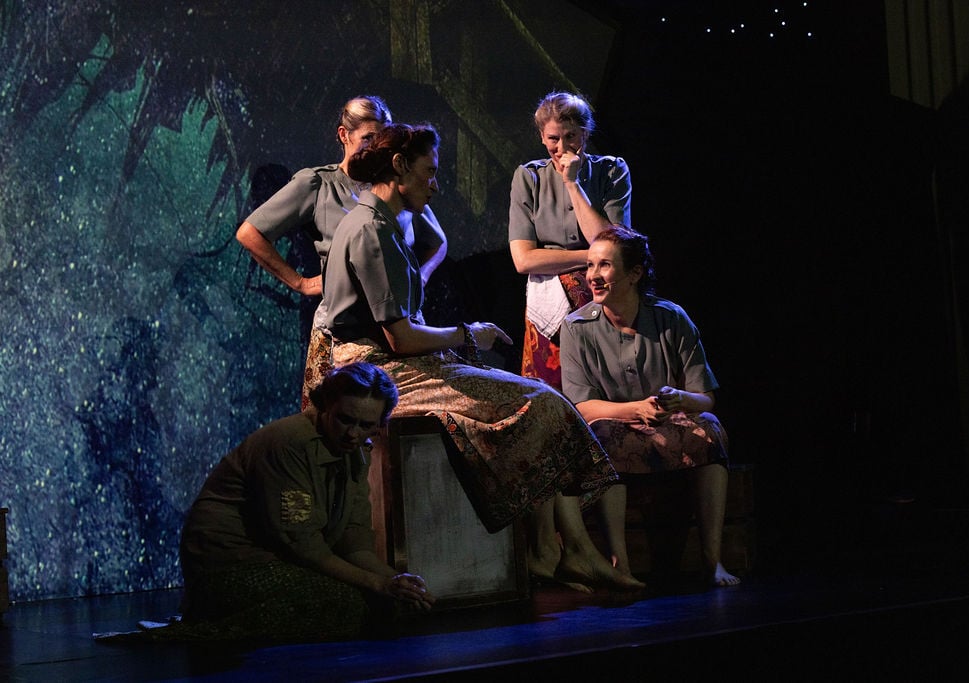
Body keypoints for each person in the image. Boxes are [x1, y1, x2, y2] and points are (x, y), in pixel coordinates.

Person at [321, 122, 643, 592]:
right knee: (539, 402)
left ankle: (563, 549)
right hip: (376, 370)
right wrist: (468, 335)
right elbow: (400, 339)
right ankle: (560, 550)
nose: (435, 184)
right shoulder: (371, 229)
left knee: (540, 400)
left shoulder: (386, 222)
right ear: (399, 168)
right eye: (429, 173)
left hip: (395, 361)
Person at [169, 363, 435, 642]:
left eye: (366, 425)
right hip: (228, 568)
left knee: (388, 604)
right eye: (344, 419)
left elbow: (354, 543)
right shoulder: (290, 444)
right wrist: (379, 584)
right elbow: (303, 547)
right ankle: (210, 623)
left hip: (283, 561)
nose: (352, 434)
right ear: (325, 407)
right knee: (349, 603)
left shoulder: (356, 453)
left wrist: (399, 582)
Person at [236, 96, 448, 409]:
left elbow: (437, 242)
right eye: (368, 138)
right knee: (342, 427)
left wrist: (417, 277)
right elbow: (250, 233)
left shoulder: (394, 184)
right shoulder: (320, 185)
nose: (377, 146)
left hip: (396, 327)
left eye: (383, 138)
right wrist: (301, 283)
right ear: (343, 135)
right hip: (348, 332)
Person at [559, 226, 740, 587]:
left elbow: (706, 397)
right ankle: (619, 565)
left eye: (605, 266)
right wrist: (634, 410)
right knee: (603, 437)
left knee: (710, 429)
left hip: (668, 422)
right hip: (615, 424)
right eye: (591, 265)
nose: (592, 275)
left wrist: (681, 399)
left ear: (635, 273)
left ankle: (712, 560)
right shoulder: (577, 327)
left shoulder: (671, 319)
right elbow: (582, 407)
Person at [508, 91, 631, 390]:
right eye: (553, 138)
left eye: (570, 136)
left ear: (585, 133)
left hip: (603, 297)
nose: (561, 147)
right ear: (541, 137)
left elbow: (612, 246)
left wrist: (572, 184)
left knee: (602, 392)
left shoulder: (612, 171)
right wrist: (590, 257)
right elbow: (523, 260)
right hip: (549, 300)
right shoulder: (529, 177)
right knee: (550, 397)